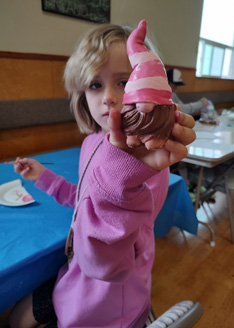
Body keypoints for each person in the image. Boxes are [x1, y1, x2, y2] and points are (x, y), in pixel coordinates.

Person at [9, 22, 196, 328]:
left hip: (110, 297)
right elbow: (85, 200)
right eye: (95, 85)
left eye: (123, 82)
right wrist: (43, 176)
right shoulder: (92, 142)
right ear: (81, 94)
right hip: (77, 271)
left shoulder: (146, 164)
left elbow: (108, 259)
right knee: (18, 316)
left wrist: (123, 170)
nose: (108, 96)